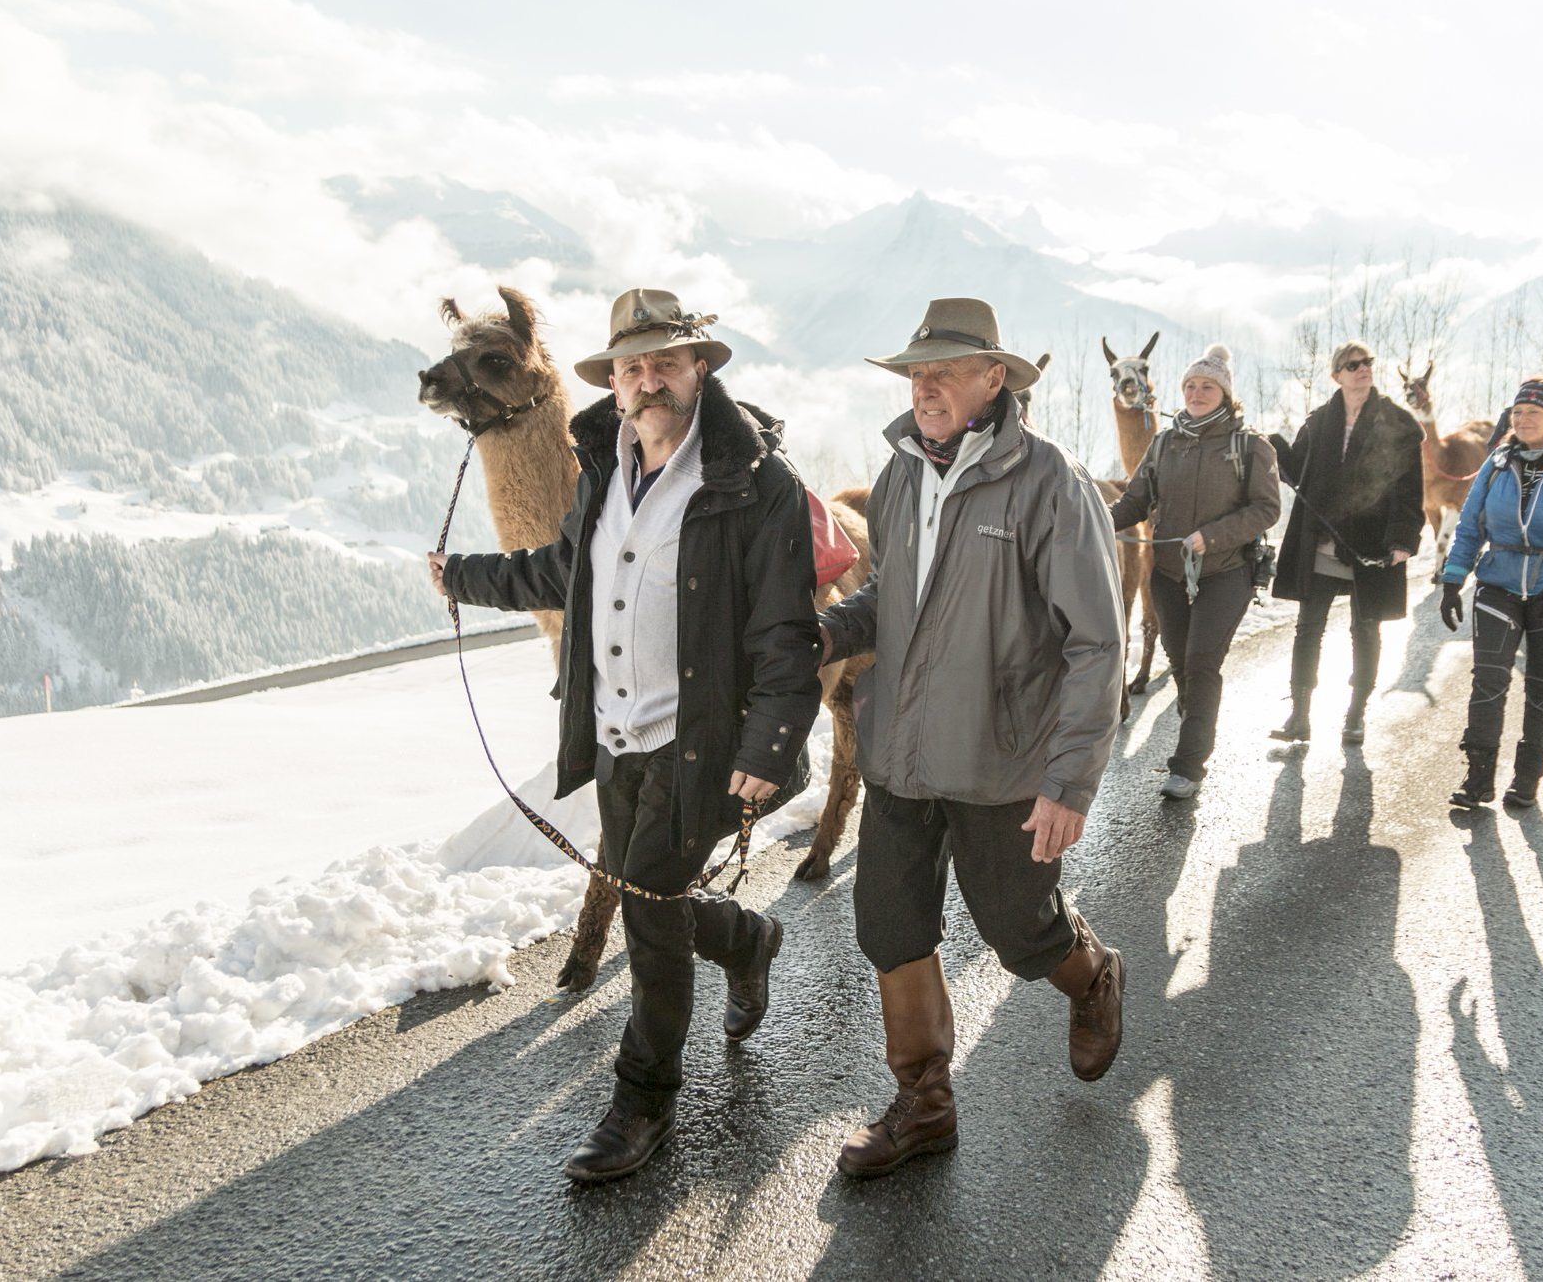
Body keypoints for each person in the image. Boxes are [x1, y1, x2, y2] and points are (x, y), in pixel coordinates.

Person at [427, 289, 822, 1181]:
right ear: (614, 377)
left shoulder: (754, 480)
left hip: (704, 743)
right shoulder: (602, 466)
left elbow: (782, 628)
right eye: (630, 366)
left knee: (646, 912)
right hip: (615, 735)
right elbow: (565, 567)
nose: (647, 381)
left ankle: (640, 1104)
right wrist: (467, 578)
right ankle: (743, 939)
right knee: (653, 894)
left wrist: (766, 749)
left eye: (665, 362)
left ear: (699, 368)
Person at [816, 297, 1128, 1179]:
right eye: (917, 371)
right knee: (889, 924)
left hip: (1002, 763)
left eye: (945, 370)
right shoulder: (901, 476)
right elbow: (894, 603)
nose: (925, 386)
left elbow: (1096, 641)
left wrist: (1068, 782)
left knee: (1019, 933)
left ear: (994, 378)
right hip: (900, 756)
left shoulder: (1046, 481)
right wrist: (833, 632)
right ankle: (925, 1104)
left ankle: (1092, 971)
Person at [1110, 343, 1281, 797]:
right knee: (1182, 661)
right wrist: (1092, 520)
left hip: (1226, 571)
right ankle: (1197, 720)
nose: (1197, 392)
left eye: (1207, 386)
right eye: (1190, 385)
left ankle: (1187, 765)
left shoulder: (1249, 445)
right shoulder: (1164, 443)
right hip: (1167, 574)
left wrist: (1215, 535)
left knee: (1203, 660)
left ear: (1225, 393)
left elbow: (1267, 509)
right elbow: (1134, 500)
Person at [1438, 378, 1543, 807]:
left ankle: (1527, 779)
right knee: (1489, 681)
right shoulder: (1497, 463)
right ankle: (1477, 779)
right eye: (1517, 412)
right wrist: (1453, 578)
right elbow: (1470, 524)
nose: (1522, 419)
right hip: (1499, 581)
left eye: (1533, 412)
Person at [1266, 340, 1425, 745]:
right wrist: (1274, 446)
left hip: (1372, 547)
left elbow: (1410, 490)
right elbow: (1296, 472)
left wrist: (1404, 539)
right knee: (1308, 628)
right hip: (1322, 541)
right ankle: (1299, 716)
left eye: (1367, 362)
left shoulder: (1397, 424)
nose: (1362, 369)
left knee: (1366, 629)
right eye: (1352, 364)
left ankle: (1356, 715)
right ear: (1337, 375)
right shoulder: (1320, 421)